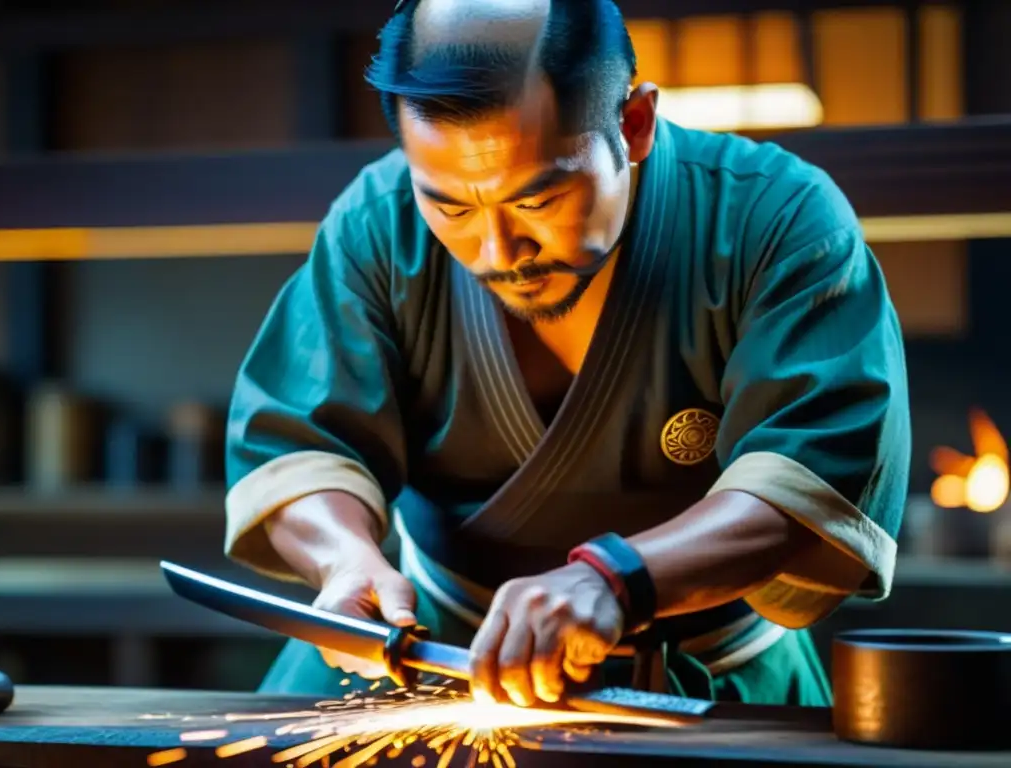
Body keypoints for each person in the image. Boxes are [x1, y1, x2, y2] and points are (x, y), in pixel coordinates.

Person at [223, 0, 909, 709]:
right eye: (452, 208)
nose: (497, 252)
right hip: (430, 659)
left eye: (540, 199)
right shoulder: (376, 224)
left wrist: (617, 578)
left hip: (712, 673)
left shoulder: (778, 218)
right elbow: (299, 446)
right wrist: (345, 562)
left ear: (633, 124)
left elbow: (814, 476)